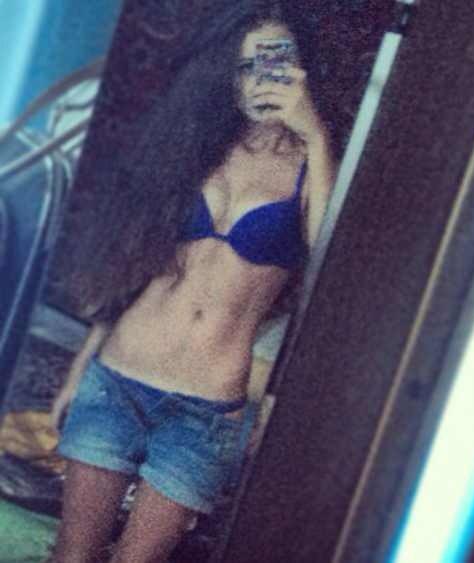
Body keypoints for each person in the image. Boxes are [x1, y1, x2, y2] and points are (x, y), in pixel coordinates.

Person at [48, 2, 336, 561]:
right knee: (73, 556)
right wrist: (81, 365)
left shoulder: (314, 165)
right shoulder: (193, 145)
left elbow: (332, 259)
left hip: (204, 410)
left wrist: (316, 134)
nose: (264, 79)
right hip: (118, 376)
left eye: (278, 63)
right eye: (250, 65)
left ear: (302, 70)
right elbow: (136, 264)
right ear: (229, 72)